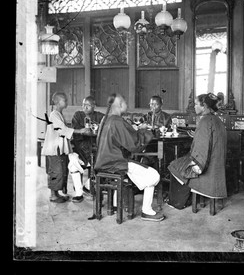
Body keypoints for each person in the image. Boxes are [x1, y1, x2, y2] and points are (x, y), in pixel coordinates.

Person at [94, 93, 165, 222]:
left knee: (140, 171)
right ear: (121, 105)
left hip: (102, 162)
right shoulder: (117, 121)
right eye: (125, 102)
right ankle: (147, 211)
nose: (127, 104)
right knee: (154, 176)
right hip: (115, 163)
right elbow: (135, 145)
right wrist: (146, 131)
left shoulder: (106, 119)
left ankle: (116, 203)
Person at [167, 93, 228, 209]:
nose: (194, 107)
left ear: (204, 106)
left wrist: (193, 165)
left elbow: (201, 153)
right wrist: (197, 135)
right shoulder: (217, 120)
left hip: (206, 167)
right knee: (181, 163)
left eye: (196, 104)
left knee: (173, 166)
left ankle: (177, 202)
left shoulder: (205, 121)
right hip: (216, 165)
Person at [41, 92, 91, 203]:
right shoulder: (54, 114)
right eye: (65, 100)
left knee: (61, 170)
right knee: (55, 171)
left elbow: (64, 128)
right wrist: (80, 131)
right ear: (57, 102)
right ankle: (53, 195)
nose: (66, 102)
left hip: (59, 148)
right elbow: (62, 129)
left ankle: (58, 193)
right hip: (54, 149)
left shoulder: (59, 114)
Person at [71, 96, 105, 194]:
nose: (85, 107)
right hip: (81, 145)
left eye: (88, 105)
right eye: (83, 105)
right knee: (93, 157)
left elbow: (107, 121)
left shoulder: (99, 116)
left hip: (95, 145)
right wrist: (83, 132)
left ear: (94, 106)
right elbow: (75, 131)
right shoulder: (78, 115)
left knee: (100, 157)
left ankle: (90, 185)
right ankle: (84, 187)